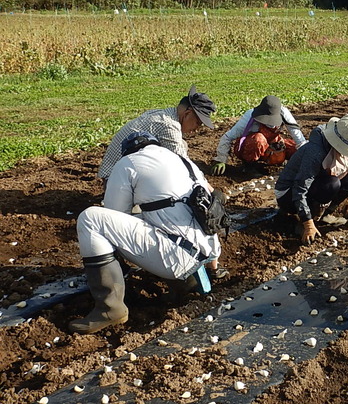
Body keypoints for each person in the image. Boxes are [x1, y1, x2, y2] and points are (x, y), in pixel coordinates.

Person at [70, 132, 223, 334]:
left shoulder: (127, 163)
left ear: (128, 151)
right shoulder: (182, 160)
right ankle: (188, 283)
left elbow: (114, 215)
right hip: (208, 250)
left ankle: (110, 309)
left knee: (91, 219)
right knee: (166, 212)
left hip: (177, 258)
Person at [274, 114, 348, 244]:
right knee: (332, 184)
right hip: (288, 194)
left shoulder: (346, 145)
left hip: (314, 186)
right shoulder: (316, 151)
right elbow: (300, 187)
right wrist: (308, 223)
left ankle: (324, 214)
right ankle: (303, 220)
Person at [98, 85, 216, 181]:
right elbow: (184, 165)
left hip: (116, 172)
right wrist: (208, 189)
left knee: (182, 144)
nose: (197, 128)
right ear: (187, 114)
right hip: (115, 181)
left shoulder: (164, 113)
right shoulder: (169, 126)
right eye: (198, 123)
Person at [212, 95, 306, 175]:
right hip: (250, 147)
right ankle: (250, 167)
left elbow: (299, 139)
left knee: (293, 147)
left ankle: (281, 162)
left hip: (270, 145)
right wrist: (221, 159)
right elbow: (228, 137)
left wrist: (307, 156)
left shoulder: (284, 114)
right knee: (258, 139)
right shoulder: (250, 116)